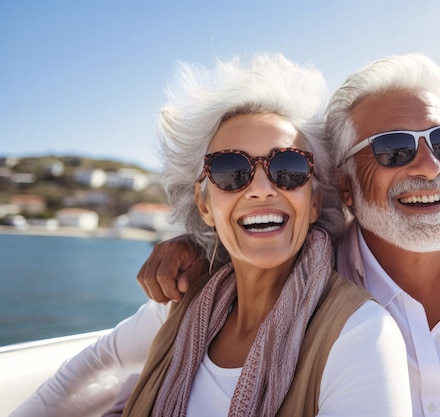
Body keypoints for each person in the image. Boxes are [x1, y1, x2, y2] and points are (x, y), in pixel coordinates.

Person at [137, 53, 440, 417]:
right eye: (394, 149)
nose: (430, 166)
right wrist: (193, 244)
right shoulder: (306, 280)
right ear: (344, 187)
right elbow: (254, 238)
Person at [10, 53, 411, 417]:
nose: (260, 188)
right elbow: (96, 370)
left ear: (313, 199)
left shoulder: (362, 335)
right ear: (205, 207)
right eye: (230, 171)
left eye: (288, 167)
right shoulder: (179, 308)